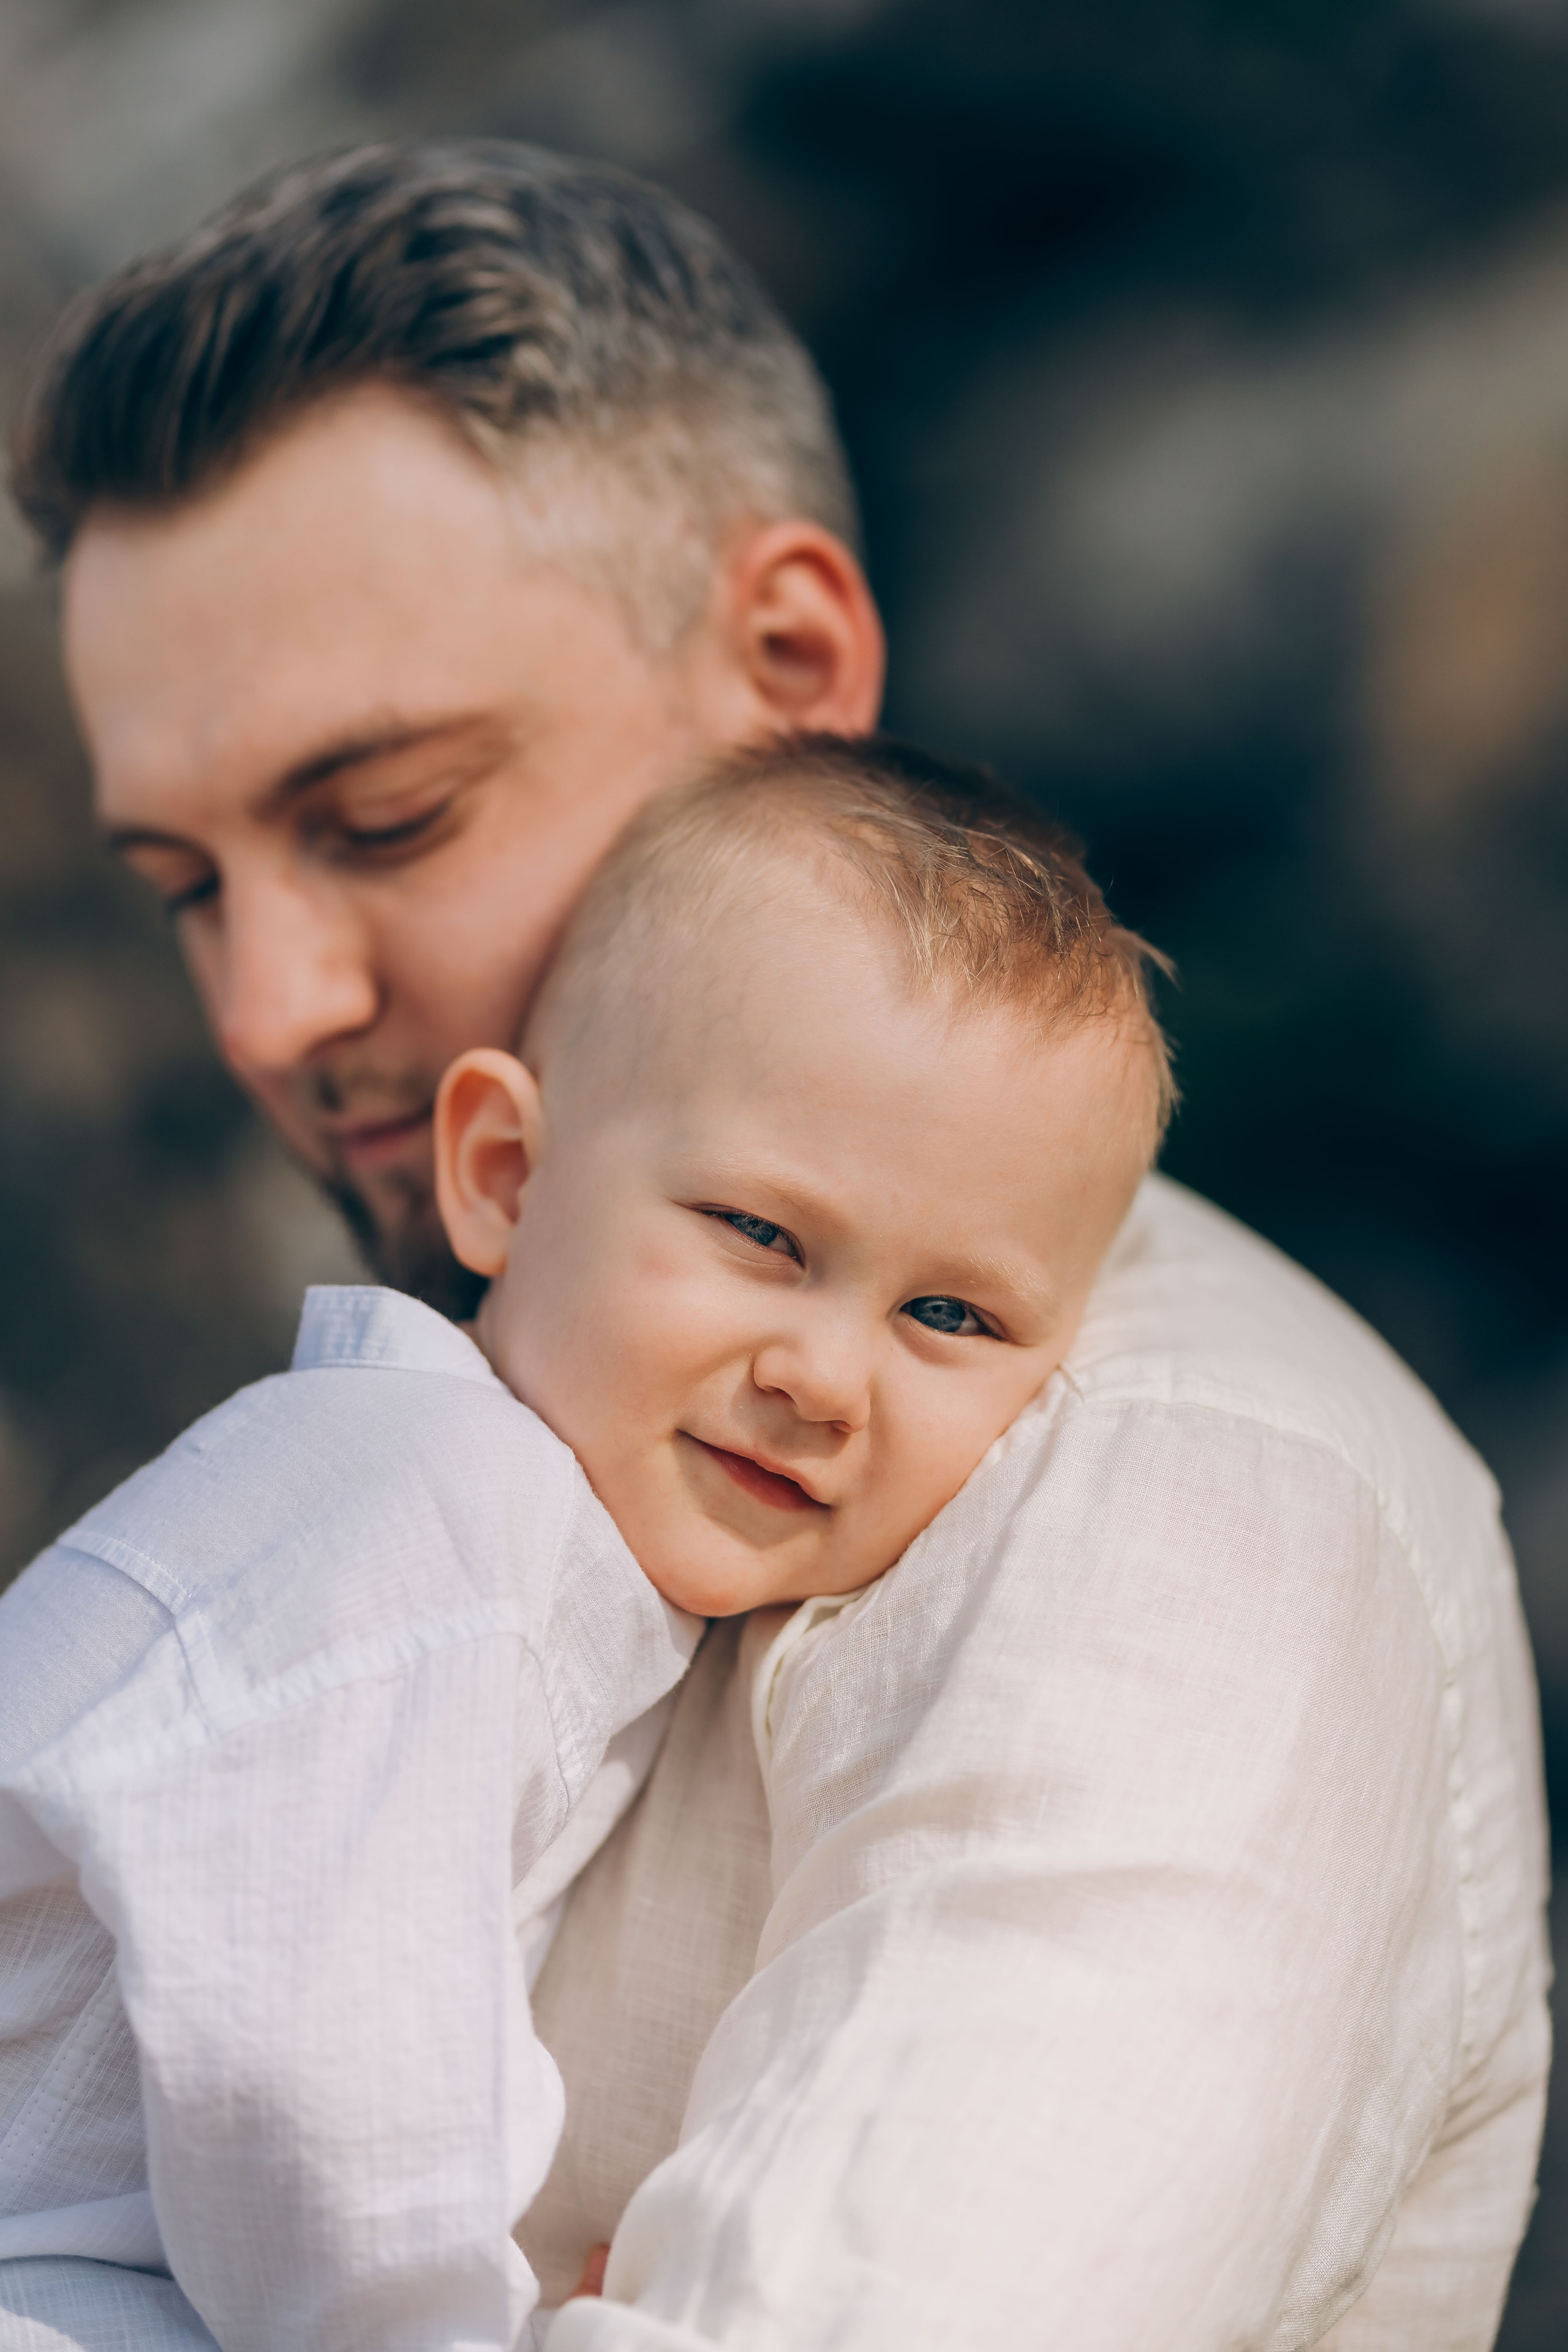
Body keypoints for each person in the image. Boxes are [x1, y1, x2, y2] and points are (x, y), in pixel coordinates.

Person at [3, 141, 1548, 2351]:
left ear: (792, 665)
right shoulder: (464, 1435)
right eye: (188, 881)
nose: (264, 1007)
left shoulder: (1178, 1510)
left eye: (388, 818)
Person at [0, 738, 1169, 2351]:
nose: (822, 1376)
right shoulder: (420, 1523)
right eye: (760, 1235)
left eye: (950, 1315)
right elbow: (321, 2086)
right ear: (506, 1179)